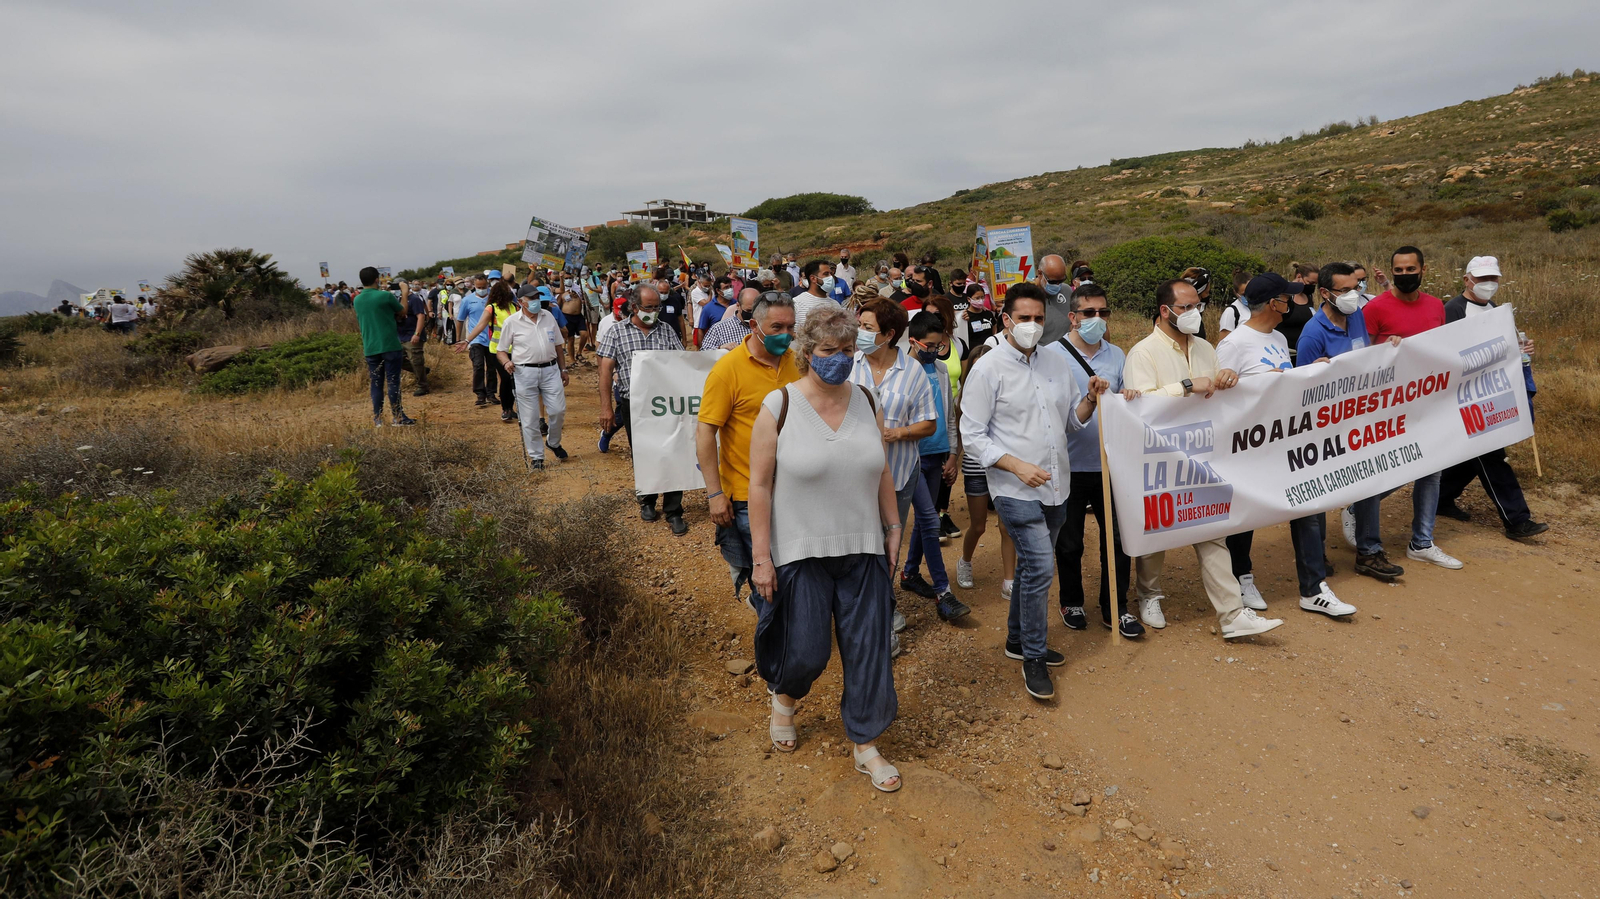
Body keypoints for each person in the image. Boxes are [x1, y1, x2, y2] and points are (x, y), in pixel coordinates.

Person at [747, 303, 902, 792]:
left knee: (868, 650)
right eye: (827, 350)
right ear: (807, 352)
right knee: (806, 652)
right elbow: (760, 487)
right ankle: (785, 698)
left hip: (863, 545)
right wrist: (761, 557)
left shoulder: (867, 400)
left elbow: (880, 468)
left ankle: (866, 743)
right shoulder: (780, 406)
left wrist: (893, 526)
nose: (837, 359)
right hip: (800, 550)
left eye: (846, 349)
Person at [959, 282, 1113, 700]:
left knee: (1029, 569)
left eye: (1039, 319)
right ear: (1006, 320)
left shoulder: (1055, 363)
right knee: (1042, 568)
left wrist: (1089, 401)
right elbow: (971, 434)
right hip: (1013, 488)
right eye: (1024, 318)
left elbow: (1068, 422)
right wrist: (1015, 465)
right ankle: (1032, 655)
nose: (1032, 325)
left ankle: (1015, 638)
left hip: (1056, 486)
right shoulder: (988, 369)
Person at [1123, 279, 1284, 639]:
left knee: (1212, 532)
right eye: (1186, 307)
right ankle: (1149, 594)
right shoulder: (1143, 353)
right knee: (1158, 532)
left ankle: (1231, 615)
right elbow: (1141, 408)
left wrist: (1228, 378)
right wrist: (1184, 386)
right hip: (1159, 461)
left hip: (1202, 457)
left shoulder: (1208, 348)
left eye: (1198, 305)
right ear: (1165, 311)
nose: (1195, 313)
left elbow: (1216, 394)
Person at [1218, 274, 1357, 618]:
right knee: (1244, 517)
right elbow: (1220, 400)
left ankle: (1313, 588)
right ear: (1272, 304)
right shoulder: (1234, 344)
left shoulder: (1279, 337)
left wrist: (1310, 372)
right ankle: (1242, 577)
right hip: (1249, 448)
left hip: (1285, 442)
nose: (1295, 301)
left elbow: (1284, 382)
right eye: (1287, 297)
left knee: (1308, 505)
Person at [1352, 246, 1463, 573]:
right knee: (1380, 471)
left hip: (1426, 403)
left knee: (1431, 469)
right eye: (1397, 270)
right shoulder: (1374, 308)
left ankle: (1422, 542)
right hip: (1383, 407)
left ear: (1423, 270)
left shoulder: (1435, 307)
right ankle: (1366, 533)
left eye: (1409, 269)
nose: (1404, 275)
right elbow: (1357, 358)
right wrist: (1383, 352)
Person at [1045, 283, 1143, 637]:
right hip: (1068, 465)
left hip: (1112, 466)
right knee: (1069, 542)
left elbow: (1129, 403)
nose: (1097, 319)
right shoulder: (1051, 356)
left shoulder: (1118, 354)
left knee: (1119, 540)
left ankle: (1115, 607)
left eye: (1103, 312)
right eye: (1089, 313)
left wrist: (1131, 395)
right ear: (1073, 317)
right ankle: (1071, 601)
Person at [697, 292, 800, 610]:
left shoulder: (797, 362)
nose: (786, 335)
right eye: (777, 327)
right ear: (754, 325)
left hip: (794, 490)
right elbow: (705, 433)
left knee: (792, 569)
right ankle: (775, 643)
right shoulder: (727, 370)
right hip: (744, 496)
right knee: (762, 576)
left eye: (791, 327)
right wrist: (715, 494)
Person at [1437, 255, 1548, 540]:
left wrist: (1522, 349)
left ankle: (1440, 498)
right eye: (1482, 278)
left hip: (1492, 393)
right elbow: (1444, 354)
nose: (1488, 284)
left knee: (1472, 456)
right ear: (1467, 279)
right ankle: (1517, 520)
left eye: (1492, 278)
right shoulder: (1453, 310)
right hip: (1467, 397)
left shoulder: (1494, 307)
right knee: (1492, 456)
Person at [850, 297, 937, 651]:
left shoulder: (912, 371)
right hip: (851, 478)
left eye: (867, 328)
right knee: (857, 545)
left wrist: (896, 433)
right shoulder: (847, 363)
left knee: (887, 544)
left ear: (888, 335)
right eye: (860, 325)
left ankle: (882, 613)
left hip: (898, 476)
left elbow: (929, 424)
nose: (860, 333)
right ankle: (859, 610)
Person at [598, 285, 690, 535]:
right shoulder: (617, 332)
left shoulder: (667, 330)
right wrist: (606, 407)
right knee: (643, 453)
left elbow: (682, 363)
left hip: (666, 404)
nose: (653, 312)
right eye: (648, 307)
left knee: (673, 452)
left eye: (656, 307)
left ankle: (674, 510)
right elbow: (605, 370)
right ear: (634, 307)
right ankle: (647, 500)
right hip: (634, 404)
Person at [899, 310, 969, 622]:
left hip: (937, 455)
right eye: (929, 345)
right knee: (929, 521)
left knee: (926, 520)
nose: (934, 351)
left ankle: (910, 573)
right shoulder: (898, 370)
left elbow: (950, 416)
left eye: (939, 346)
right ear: (912, 342)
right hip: (910, 457)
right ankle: (943, 591)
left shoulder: (940, 370)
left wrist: (953, 454)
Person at [952, 344, 1016, 593]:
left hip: (1004, 465)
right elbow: (961, 434)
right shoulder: (963, 397)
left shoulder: (1006, 393)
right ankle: (964, 561)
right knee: (978, 525)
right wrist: (952, 459)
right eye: (976, 364)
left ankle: (1009, 581)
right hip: (976, 467)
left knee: (1006, 526)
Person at [497, 286, 568, 470]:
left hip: (551, 370)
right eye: (531, 298)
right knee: (529, 418)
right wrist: (506, 363)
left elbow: (559, 345)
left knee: (558, 411)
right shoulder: (512, 322)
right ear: (520, 302)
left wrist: (563, 369)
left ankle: (553, 442)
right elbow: (501, 351)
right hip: (523, 373)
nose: (536, 300)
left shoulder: (548, 316)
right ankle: (537, 457)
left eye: (537, 296)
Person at [353, 266, 417, 428]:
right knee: (393, 381)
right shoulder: (385, 296)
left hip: (370, 347)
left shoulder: (357, 299)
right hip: (389, 345)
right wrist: (404, 292)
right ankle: (398, 416)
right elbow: (402, 312)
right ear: (377, 279)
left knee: (376, 383)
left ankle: (378, 419)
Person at [457, 280, 519, 422]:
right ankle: (506, 409)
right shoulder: (491, 308)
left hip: (516, 350)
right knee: (505, 378)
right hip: (498, 350)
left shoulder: (515, 307)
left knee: (515, 380)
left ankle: (514, 408)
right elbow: (480, 325)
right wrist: (467, 341)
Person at [455, 274, 493, 406]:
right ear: (474, 286)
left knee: (492, 367)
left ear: (487, 285)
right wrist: (459, 338)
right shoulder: (467, 300)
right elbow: (460, 319)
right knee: (478, 366)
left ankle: (491, 393)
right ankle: (480, 393)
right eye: (478, 287)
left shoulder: (493, 298)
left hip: (492, 339)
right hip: (475, 339)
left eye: (484, 287)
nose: (481, 289)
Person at [1276, 262, 1319, 359]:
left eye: (1315, 284)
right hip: (1284, 353)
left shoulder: (1308, 296)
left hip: (1302, 352)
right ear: (1299, 276)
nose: (1312, 287)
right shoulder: (1285, 295)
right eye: (1310, 283)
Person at [395, 281, 431, 397]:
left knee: (416, 360)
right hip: (400, 335)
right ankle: (422, 371)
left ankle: (423, 385)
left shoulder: (414, 299)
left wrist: (417, 334)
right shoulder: (396, 300)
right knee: (397, 359)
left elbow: (421, 316)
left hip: (412, 335)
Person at [703, 287, 761, 351]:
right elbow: (704, 352)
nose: (752, 314)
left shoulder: (764, 326)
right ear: (738, 306)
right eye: (749, 310)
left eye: (756, 310)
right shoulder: (719, 329)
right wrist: (720, 348)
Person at [1033, 255, 1075, 345]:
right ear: (1040, 273)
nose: (1057, 285)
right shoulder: (1024, 296)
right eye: (1052, 282)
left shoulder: (1067, 291)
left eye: (1061, 280)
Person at [791, 260, 837, 330]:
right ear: (813, 278)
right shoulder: (797, 303)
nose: (831, 277)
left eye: (831, 273)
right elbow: (792, 332)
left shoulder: (836, 305)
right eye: (826, 274)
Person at [1216, 268, 1254, 341]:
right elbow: (1223, 344)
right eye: (1244, 294)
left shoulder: (1260, 307)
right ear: (1236, 293)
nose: (1249, 296)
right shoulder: (1231, 312)